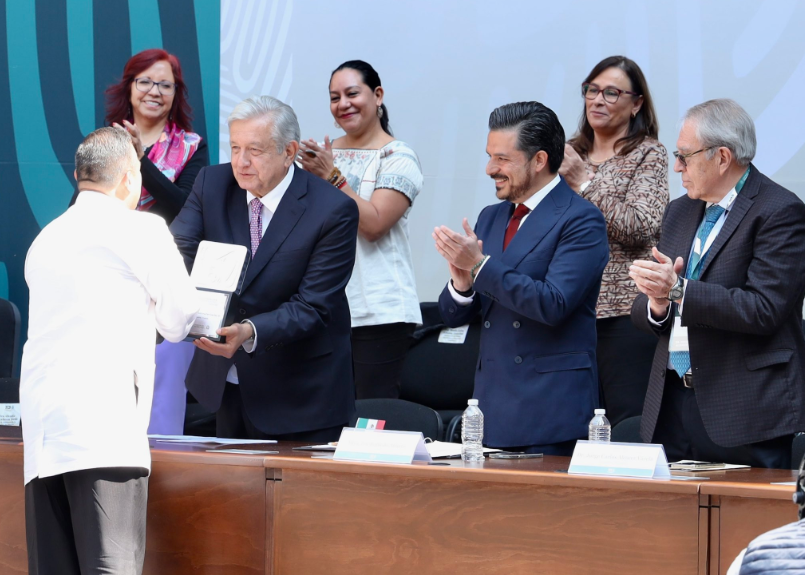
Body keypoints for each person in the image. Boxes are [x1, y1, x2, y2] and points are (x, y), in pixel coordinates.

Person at [21, 127, 199, 575]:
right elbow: (180, 319)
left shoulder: (46, 238)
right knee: (110, 568)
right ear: (127, 178)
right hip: (104, 430)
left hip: (43, 437)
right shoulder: (141, 227)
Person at [171, 95, 360, 442]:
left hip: (300, 394)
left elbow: (314, 306)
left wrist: (249, 330)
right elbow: (177, 252)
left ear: (288, 152)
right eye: (235, 148)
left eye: (254, 151)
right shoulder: (212, 184)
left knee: (296, 498)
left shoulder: (333, 210)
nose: (241, 162)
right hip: (225, 383)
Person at [630, 98, 805, 469]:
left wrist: (678, 290)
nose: (676, 166)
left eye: (685, 156)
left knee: (748, 525)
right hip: (673, 403)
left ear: (722, 157)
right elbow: (651, 303)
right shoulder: (679, 210)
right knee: (667, 525)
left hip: (744, 409)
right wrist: (659, 304)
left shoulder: (779, 211)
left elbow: (764, 309)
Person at [433, 101, 609, 455]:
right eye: (489, 156)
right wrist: (462, 284)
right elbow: (454, 317)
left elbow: (553, 303)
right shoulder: (491, 216)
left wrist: (481, 267)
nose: (489, 169)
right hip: (490, 408)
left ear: (539, 160)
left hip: (549, 410)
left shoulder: (581, 219)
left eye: (502, 158)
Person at [298, 60, 423, 399]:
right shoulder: (324, 155)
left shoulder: (398, 157)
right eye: (334, 97)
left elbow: (374, 224)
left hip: (378, 312)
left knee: (369, 419)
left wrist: (332, 177)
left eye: (352, 93)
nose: (343, 104)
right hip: (323, 309)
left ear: (378, 95)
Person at [103, 48, 210, 434]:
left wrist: (141, 161)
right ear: (129, 88)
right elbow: (85, 202)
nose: (154, 91)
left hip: (166, 281)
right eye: (145, 81)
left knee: (162, 400)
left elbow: (186, 208)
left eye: (165, 84)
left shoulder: (193, 147)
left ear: (176, 93)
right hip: (110, 281)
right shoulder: (106, 140)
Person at [560, 56, 669, 427]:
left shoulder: (648, 153)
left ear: (636, 103)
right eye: (591, 90)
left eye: (611, 92)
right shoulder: (567, 151)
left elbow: (642, 226)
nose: (597, 100)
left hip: (624, 315)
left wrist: (585, 184)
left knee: (628, 426)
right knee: (572, 425)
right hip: (567, 312)